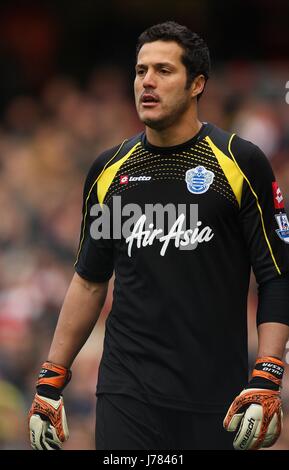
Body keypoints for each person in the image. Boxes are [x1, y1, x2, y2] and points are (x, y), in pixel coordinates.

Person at [28, 21, 289, 450]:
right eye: (140, 70)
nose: (146, 81)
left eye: (163, 71)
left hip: (216, 399)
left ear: (196, 84)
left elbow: (277, 276)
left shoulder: (240, 163)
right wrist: (50, 380)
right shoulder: (109, 171)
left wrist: (267, 376)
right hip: (126, 394)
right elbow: (90, 280)